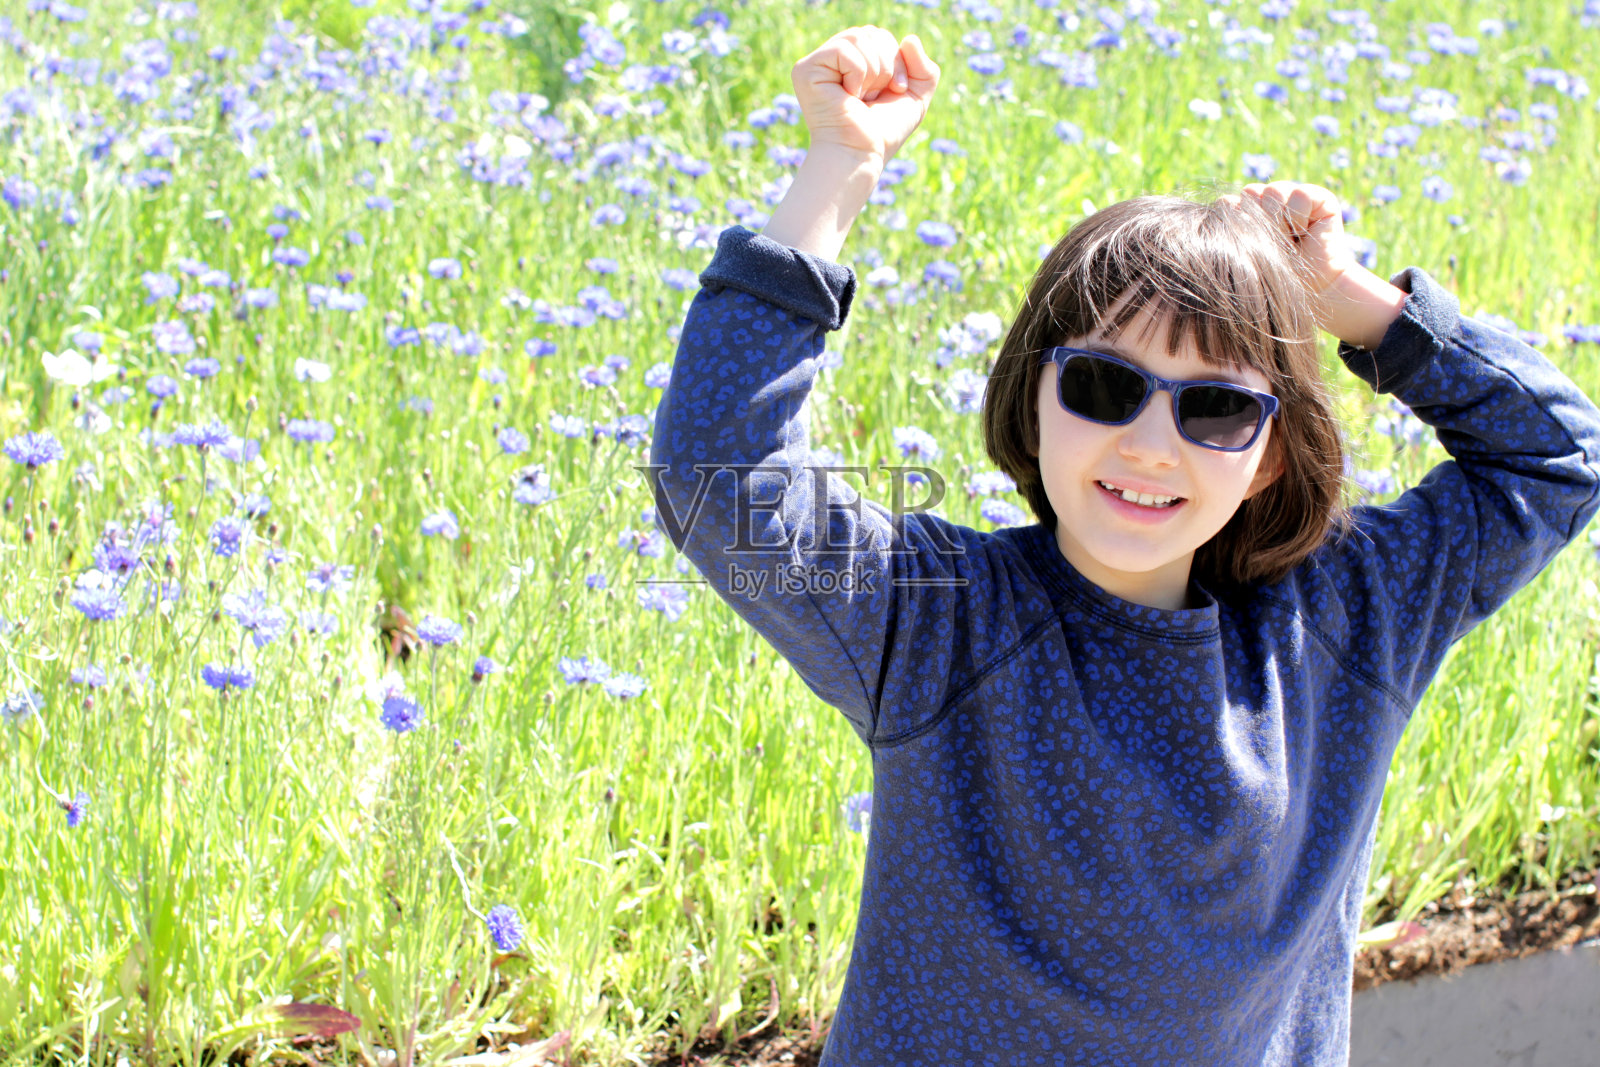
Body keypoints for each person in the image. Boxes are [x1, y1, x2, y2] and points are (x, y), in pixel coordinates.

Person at [648, 25, 1600, 1067]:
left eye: (1216, 409)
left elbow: (1555, 459)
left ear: (1274, 455)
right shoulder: (938, 618)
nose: (1151, 443)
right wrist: (839, 168)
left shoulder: (1341, 618)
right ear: (1033, 395)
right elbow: (719, 473)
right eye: (1104, 386)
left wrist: (1346, 301)